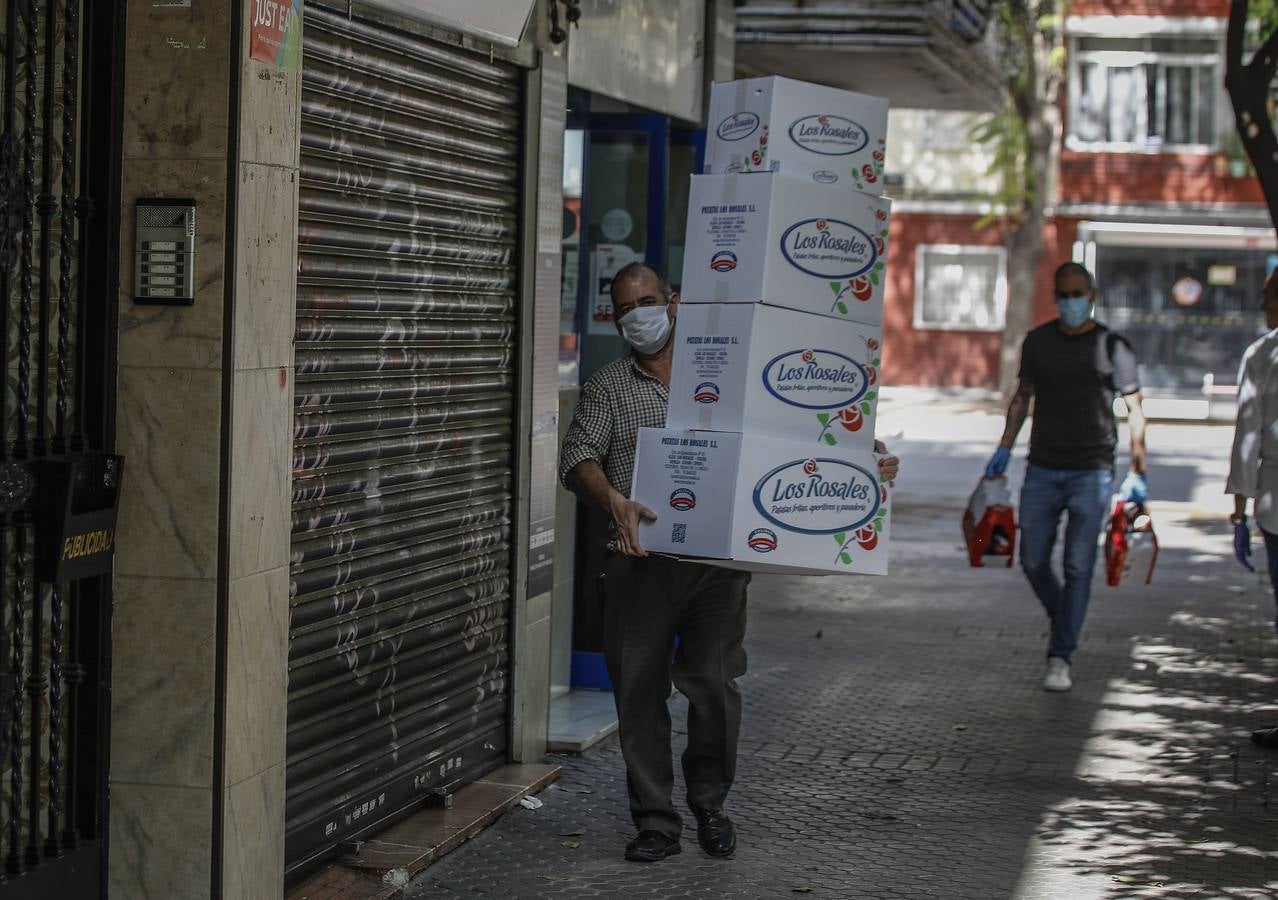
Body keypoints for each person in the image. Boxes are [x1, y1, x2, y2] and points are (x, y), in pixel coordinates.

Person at [559, 262, 899, 862]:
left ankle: (710, 804)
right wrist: (610, 499)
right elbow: (578, 456)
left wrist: (862, 460)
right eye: (624, 308)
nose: (638, 314)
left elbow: (793, 433)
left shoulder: (723, 375)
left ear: (675, 302)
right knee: (638, 696)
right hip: (639, 564)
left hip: (716, 565)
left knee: (715, 685)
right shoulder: (610, 385)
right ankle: (657, 822)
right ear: (615, 319)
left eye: (647, 300)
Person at [985, 261, 1147, 693]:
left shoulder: (1114, 346)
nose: (1071, 301)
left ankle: (1061, 656)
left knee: (1078, 566)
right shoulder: (1038, 342)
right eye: (1064, 294)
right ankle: (1066, 620)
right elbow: (1022, 398)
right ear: (1055, 296)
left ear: (1092, 296)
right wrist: (1004, 446)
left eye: (1079, 294)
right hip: (1041, 467)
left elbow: (1135, 410)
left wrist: (1138, 469)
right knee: (1033, 559)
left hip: (1091, 471)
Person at [1227, 268, 1278, 633]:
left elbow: (1248, 435)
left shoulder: (1262, 355)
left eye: (1266, 300)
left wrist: (1240, 514)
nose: (1262, 308)